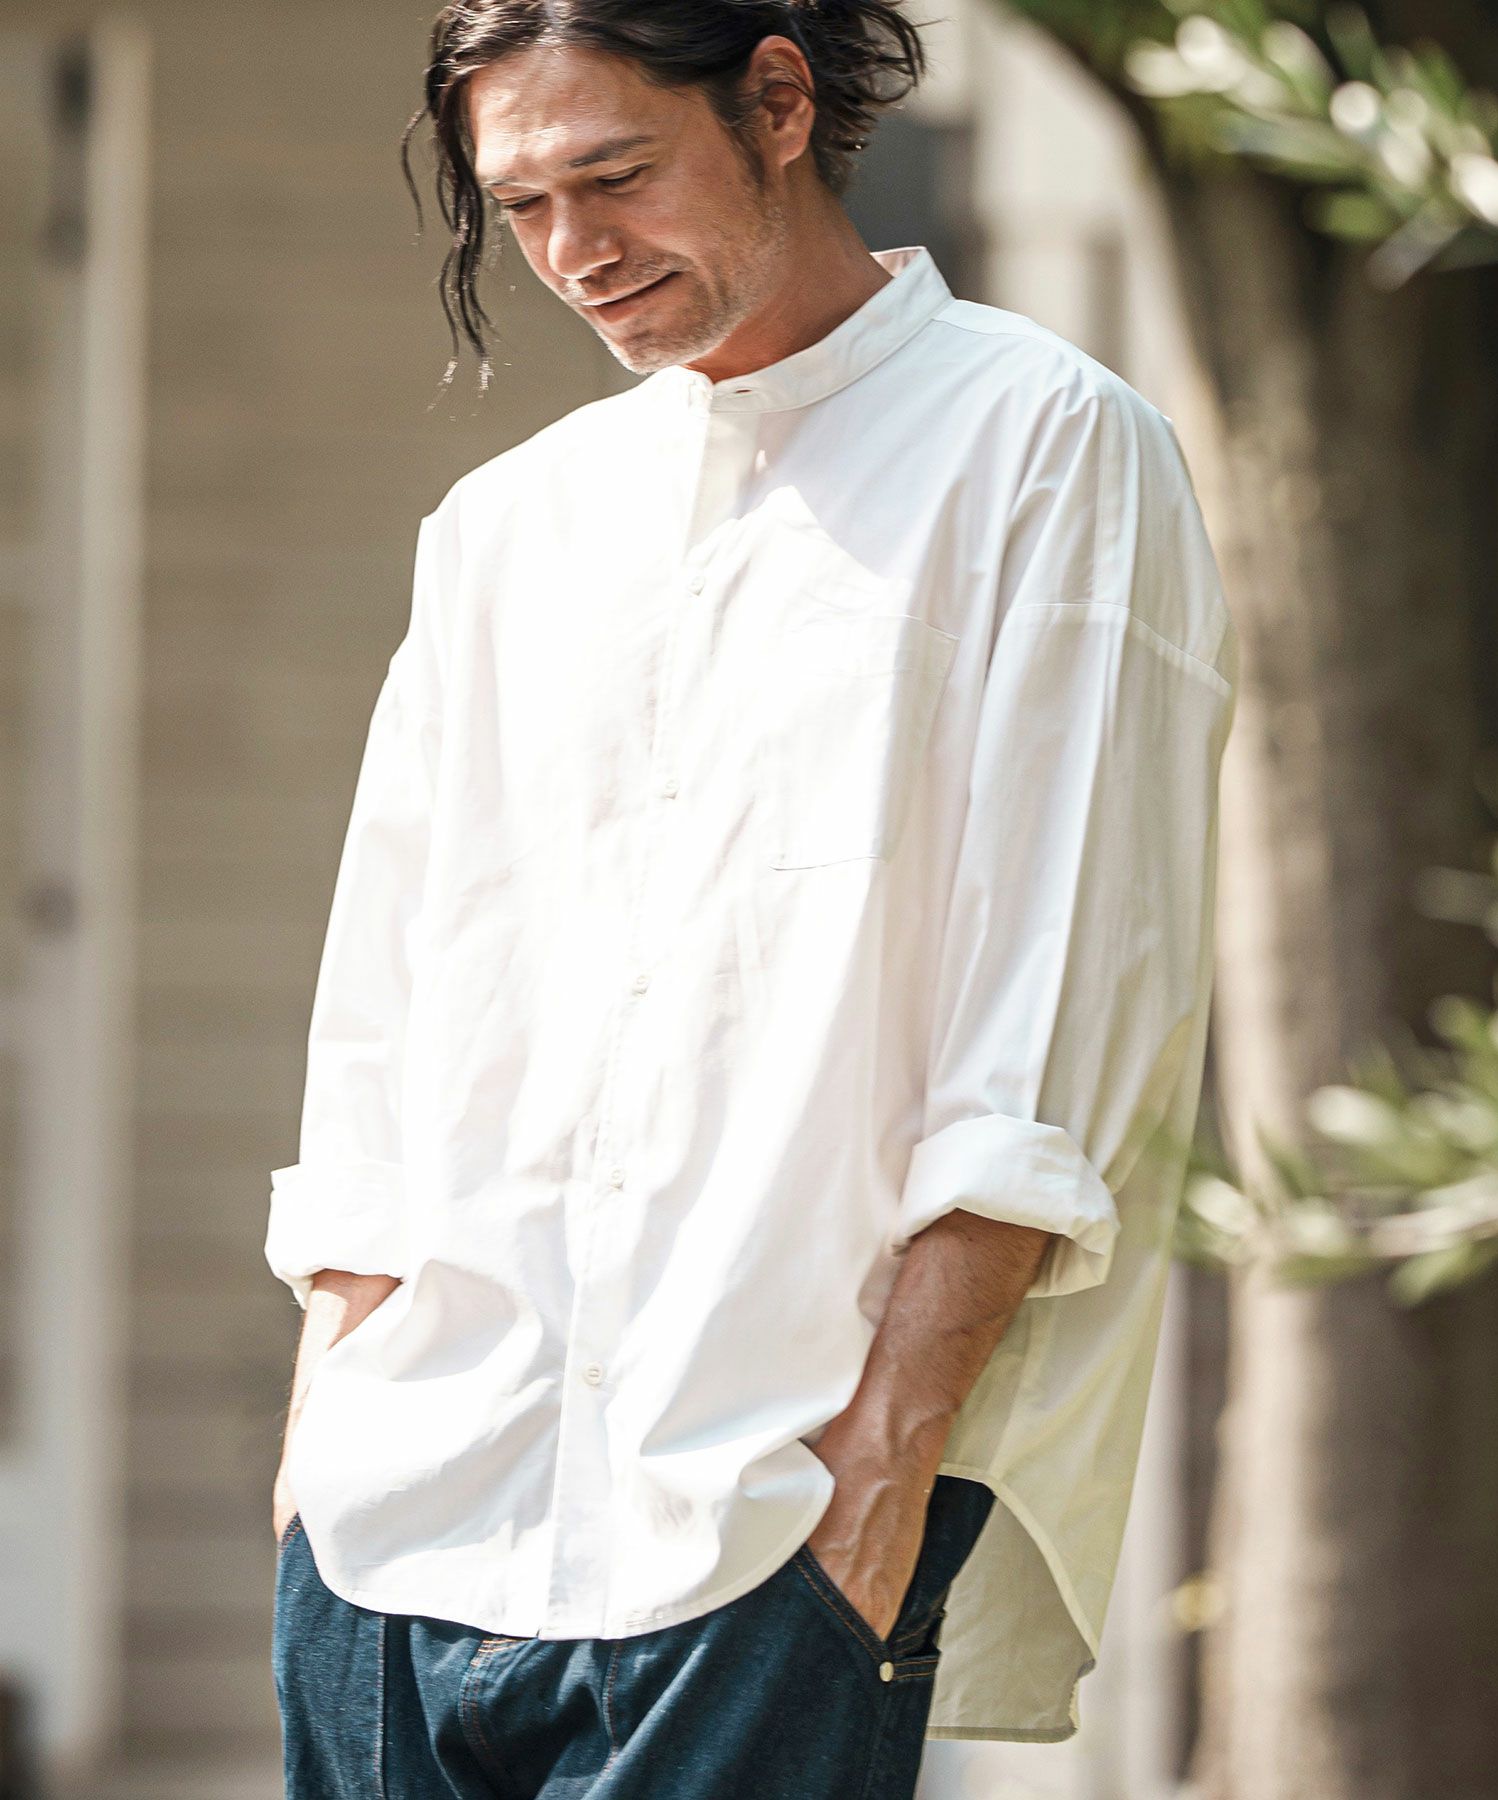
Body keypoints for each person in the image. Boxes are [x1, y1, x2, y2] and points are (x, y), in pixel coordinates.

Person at [264, 2, 1239, 1795]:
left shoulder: (1045, 447)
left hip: (765, 1529)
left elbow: (1053, 1029)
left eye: (615, 176)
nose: (574, 251)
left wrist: (878, 1478)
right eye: (524, 205)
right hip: (398, 1535)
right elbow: (382, 1014)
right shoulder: (506, 527)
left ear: (779, 101)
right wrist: (327, 1424)